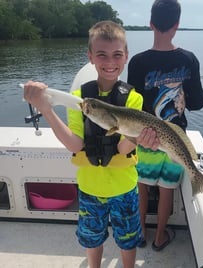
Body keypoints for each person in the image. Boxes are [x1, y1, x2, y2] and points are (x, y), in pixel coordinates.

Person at [23, 20, 158, 268]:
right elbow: (75, 145)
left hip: (124, 188)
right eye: (101, 55)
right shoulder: (78, 99)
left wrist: (138, 139)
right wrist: (46, 109)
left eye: (117, 54)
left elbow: (121, 148)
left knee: (127, 241)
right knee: (91, 240)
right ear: (90, 57)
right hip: (89, 188)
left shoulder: (134, 98)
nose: (109, 62)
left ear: (126, 56)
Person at [127, 0, 203, 251]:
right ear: (177, 25)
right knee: (166, 191)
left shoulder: (137, 63)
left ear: (150, 24)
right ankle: (160, 237)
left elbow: (133, 105)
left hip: (146, 137)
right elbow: (197, 103)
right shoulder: (189, 59)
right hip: (176, 139)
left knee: (141, 187)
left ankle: (139, 235)